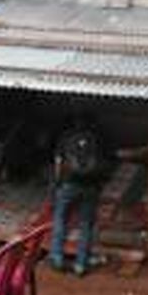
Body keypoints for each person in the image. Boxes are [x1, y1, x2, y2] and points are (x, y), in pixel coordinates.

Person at [49, 118, 106, 277]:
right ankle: (81, 264)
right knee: (86, 225)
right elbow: (103, 164)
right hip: (90, 187)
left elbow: (58, 163)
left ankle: (57, 259)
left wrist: (57, 184)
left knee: (60, 219)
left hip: (69, 185)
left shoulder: (66, 137)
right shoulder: (96, 139)